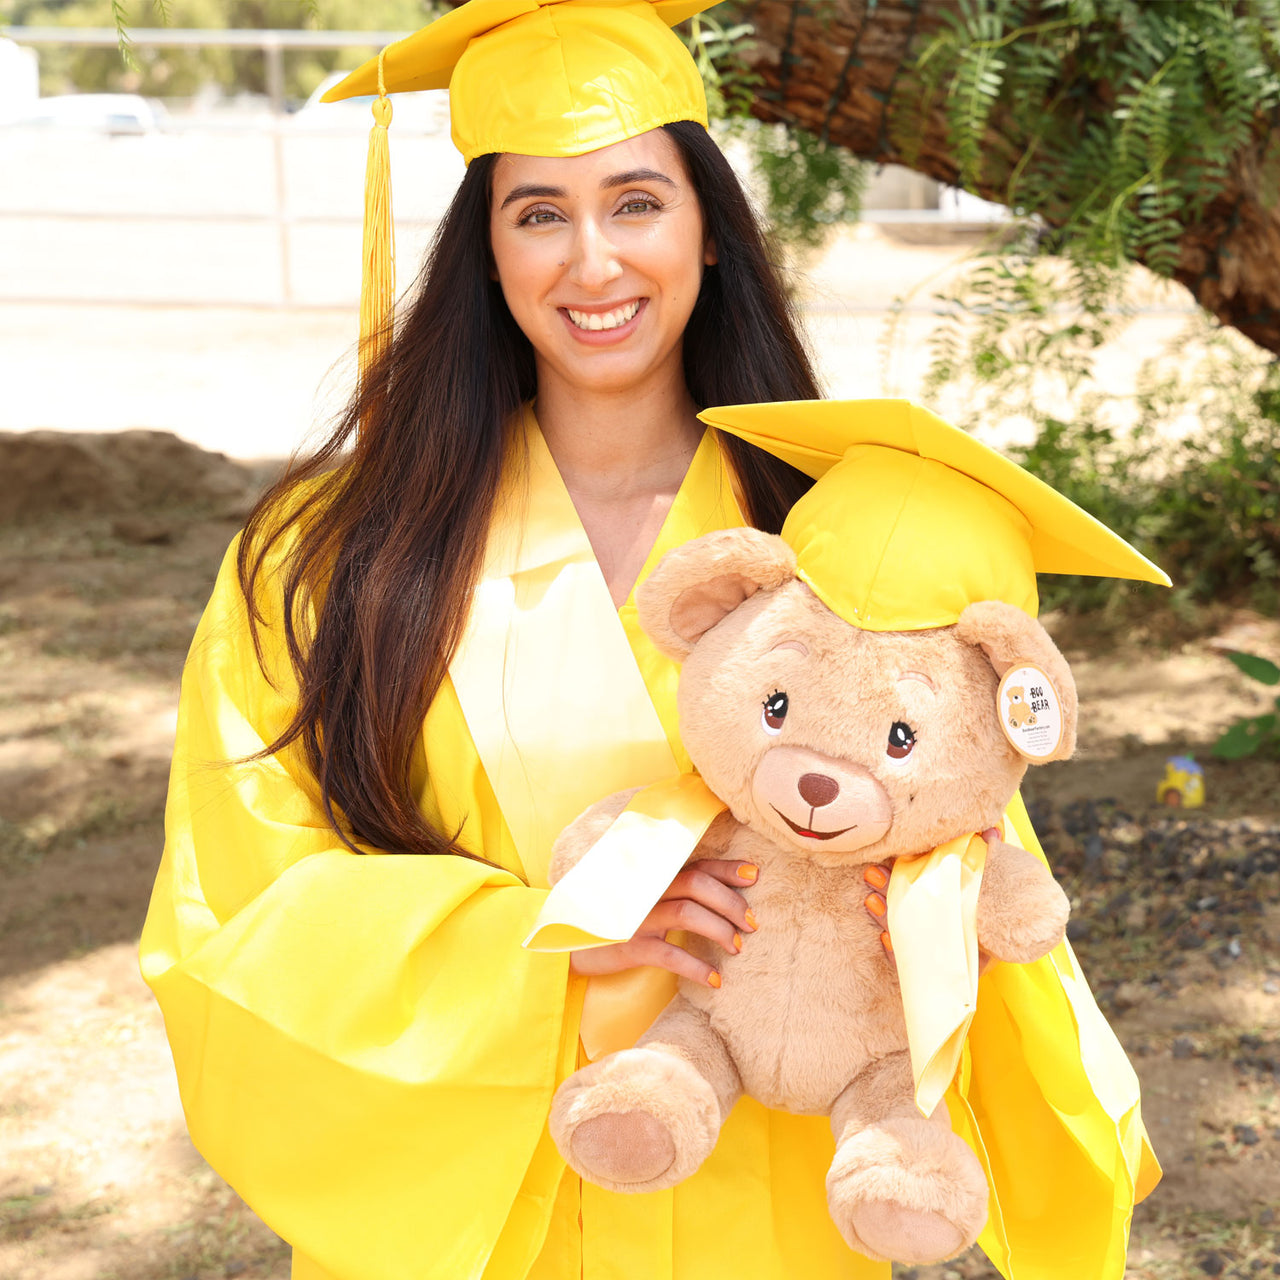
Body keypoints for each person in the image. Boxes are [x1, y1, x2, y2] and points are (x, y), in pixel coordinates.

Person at [140, 4, 1156, 1279]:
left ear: (709, 233)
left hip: (767, 1203)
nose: (592, 262)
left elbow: (958, 836)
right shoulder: (334, 549)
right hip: (485, 1202)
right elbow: (233, 902)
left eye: (635, 202)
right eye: (538, 213)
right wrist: (541, 938)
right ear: (488, 254)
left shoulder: (836, 535)